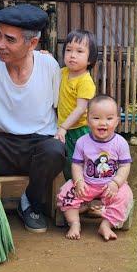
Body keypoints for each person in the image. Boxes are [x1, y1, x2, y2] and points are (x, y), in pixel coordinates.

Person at [0, 2, 65, 233]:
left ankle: (29, 202)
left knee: (55, 150)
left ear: (32, 43)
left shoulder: (48, 65)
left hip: (37, 148)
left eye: (10, 39)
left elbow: (60, 106)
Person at [57, 94, 133, 241]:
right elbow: (77, 164)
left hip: (110, 186)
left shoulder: (120, 143)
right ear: (88, 120)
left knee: (125, 196)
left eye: (109, 118)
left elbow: (125, 166)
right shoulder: (82, 142)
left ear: (117, 121)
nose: (102, 123)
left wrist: (116, 182)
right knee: (66, 192)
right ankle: (75, 223)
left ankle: (106, 224)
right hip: (87, 184)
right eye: (96, 118)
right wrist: (78, 181)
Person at [54, 29, 97, 181]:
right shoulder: (63, 72)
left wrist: (64, 127)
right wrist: (43, 57)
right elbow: (49, 71)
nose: (72, 55)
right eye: (68, 50)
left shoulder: (85, 81)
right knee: (67, 162)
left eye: (79, 51)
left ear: (90, 59)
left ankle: (85, 193)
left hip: (79, 130)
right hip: (65, 129)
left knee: (79, 162)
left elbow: (80, 108)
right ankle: (72, 192)